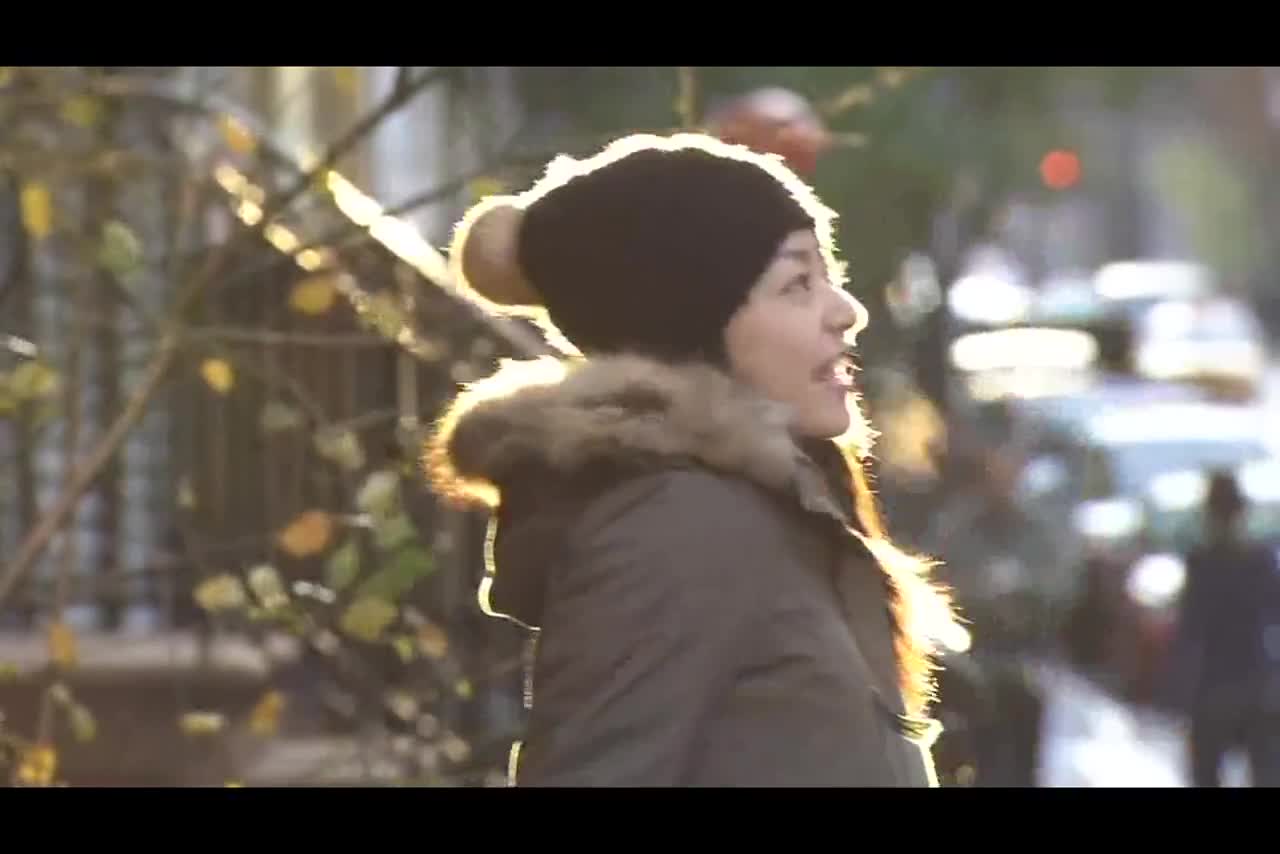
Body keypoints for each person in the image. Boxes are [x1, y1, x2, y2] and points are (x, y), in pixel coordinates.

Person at [423, 132, 958, 787]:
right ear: (689, 325)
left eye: (830, 276)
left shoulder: (762, 509)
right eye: (797, 283)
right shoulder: (675, 527)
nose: (847, 311)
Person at [1167, 469, 1280, 787]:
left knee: (1207, 772)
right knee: (1265, 772)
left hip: (1214, 688)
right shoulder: (1260, 561)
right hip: (1256, 686)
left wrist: (1178, 690)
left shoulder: (1203, 562)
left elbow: (1190, 632)